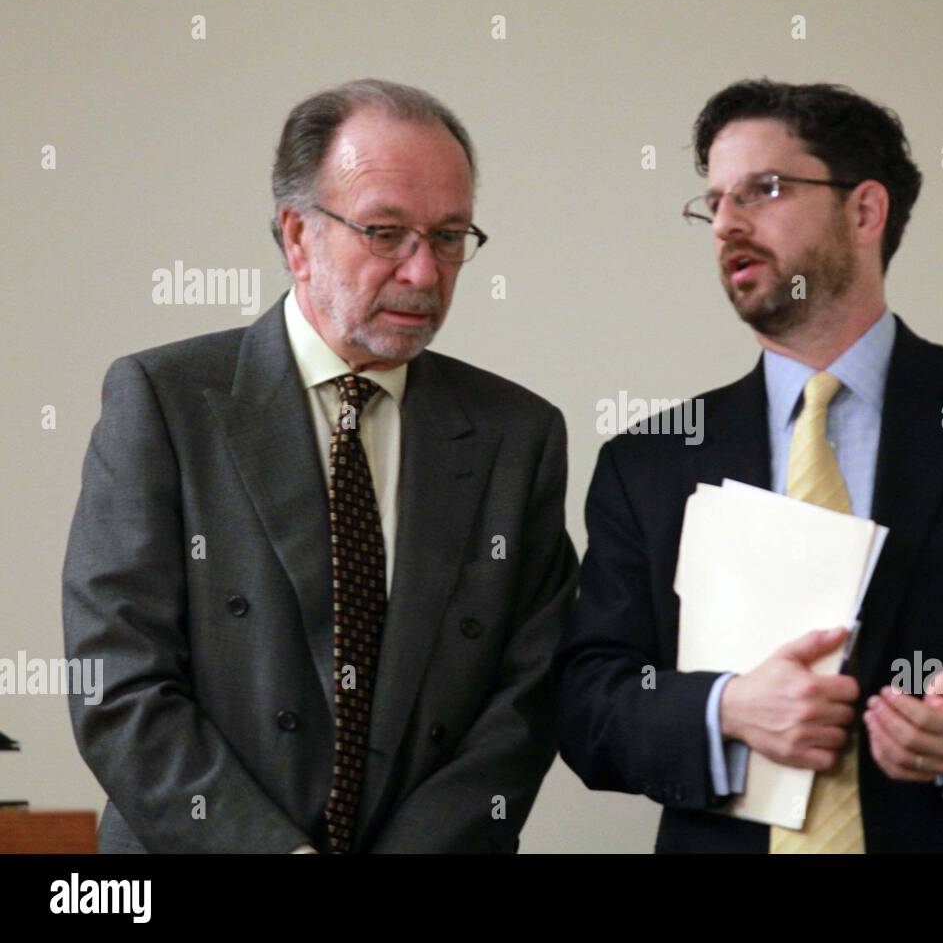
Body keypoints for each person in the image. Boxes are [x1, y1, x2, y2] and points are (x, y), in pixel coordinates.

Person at [556, 79, 943, 853]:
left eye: (762, 190)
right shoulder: (650, 461)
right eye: (714, 202)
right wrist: (726, 711)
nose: (727, 223)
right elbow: (586, 701)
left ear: (865, 210)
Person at [63, 79, 578, 853]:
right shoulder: (165, 403)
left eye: (449, 236)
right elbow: (119, 682)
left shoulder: (517, 434)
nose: (423, 274)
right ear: (296, 235)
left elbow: (525, 699)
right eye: (385, 233)